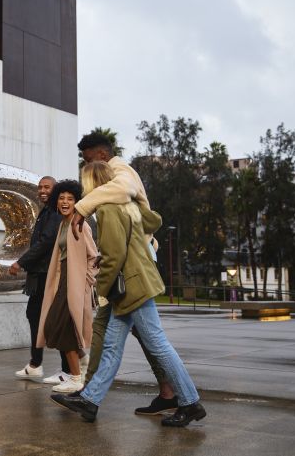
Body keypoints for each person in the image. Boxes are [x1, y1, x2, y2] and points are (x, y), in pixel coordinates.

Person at [52, 162, 206, 427]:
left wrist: (101, 290)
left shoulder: (109, 209)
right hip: (134, 284)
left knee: (157, 344)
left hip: (132, 287)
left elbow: (115, 257)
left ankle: (190, 402)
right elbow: (136, 236)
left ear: (92, 184)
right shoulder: (128, 205)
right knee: (112, 346)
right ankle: (90, 400)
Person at [74, 132, 178, 416]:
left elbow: (122, 192)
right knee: (114, 331)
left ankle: (180, 395)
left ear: (102, 156)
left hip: (133, 263)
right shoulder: (115, 174)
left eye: (88, 159)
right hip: (132, 261)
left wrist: (81, 209)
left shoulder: (121, 170)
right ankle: (90, 394)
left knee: (146, 336)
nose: (86, 166)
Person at [36, 180, 99, 393]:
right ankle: (82, 360)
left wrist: (86, 282)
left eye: (70, 199)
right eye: (61, 198)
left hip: (75, 282)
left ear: (77, 202)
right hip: (63, 280)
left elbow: (94, 257)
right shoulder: (64, 223)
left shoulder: (79, 223)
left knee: (62, 326)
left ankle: (76, 377)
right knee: (54, 325)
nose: (65, 202)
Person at [10, 176, 73, 382]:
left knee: (53, 319)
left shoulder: (54, 213)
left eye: (47, 187)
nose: (42, 190)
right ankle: (37, 363)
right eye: (40, 187)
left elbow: (46, 242)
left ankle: (66, 368)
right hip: (41, 273)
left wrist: (21, 262)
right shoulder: (47, 211)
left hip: (47, 274)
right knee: (38, 316)